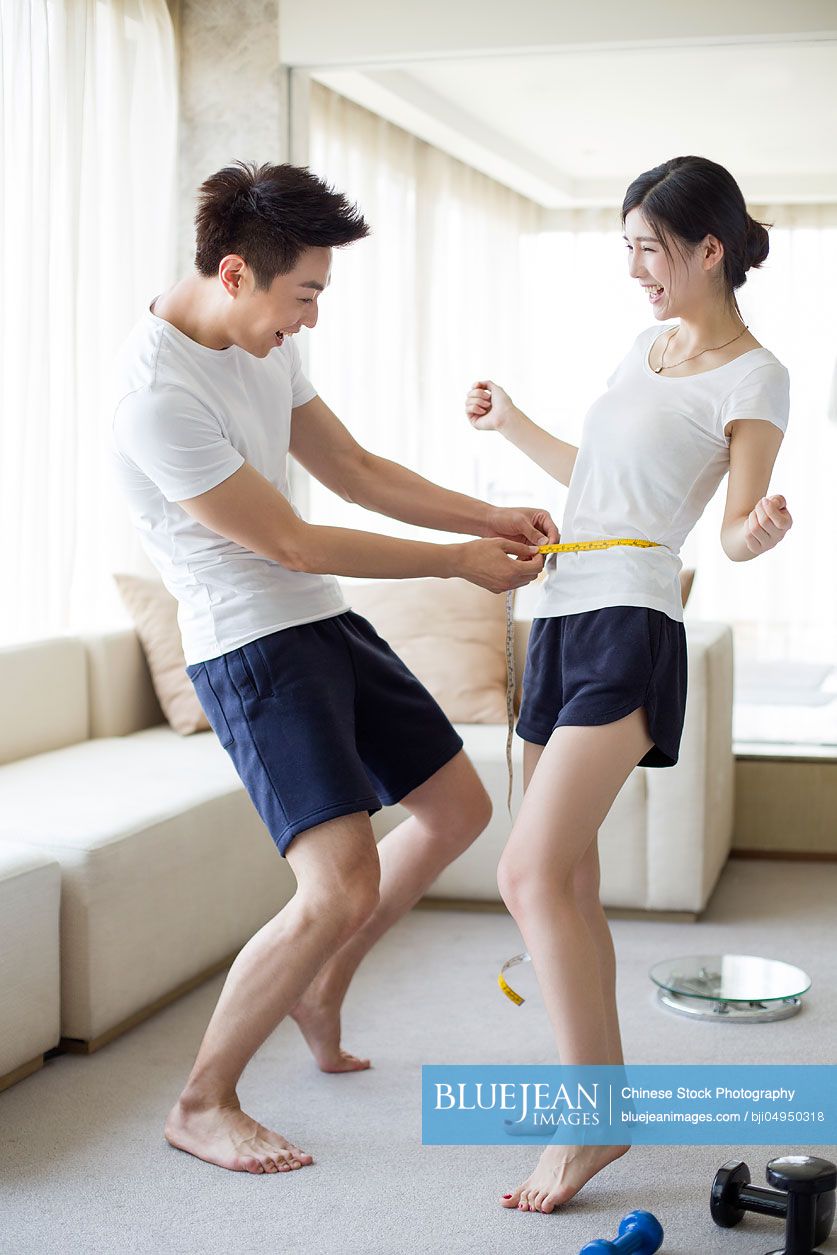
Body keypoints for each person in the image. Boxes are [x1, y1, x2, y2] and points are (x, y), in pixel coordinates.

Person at [110, 160, 558, 1176]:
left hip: (319, 622)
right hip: (250, 644)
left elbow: (352, 470)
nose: (309, 318)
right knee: (336, 885)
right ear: (236, 272)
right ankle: (202, 1100)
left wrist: (483, 512)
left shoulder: (261, 344)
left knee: (455, 808)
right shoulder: (155, 396)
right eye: (304, 293)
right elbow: (293, 542)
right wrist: (457, 561)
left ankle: (319, 983)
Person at [465, 155, 793, 1214]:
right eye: (627, 251)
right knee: (567, 883)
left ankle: (592, 1113)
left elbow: (734, 525)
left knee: (525, 872)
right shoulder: (640, 345)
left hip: (630, 621)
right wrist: (511, 421)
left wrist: (758, 530)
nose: (637, 270)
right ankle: (598, 1103)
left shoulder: (757, 376)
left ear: (708, 248)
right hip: (556, 612)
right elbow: (599, 476)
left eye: (650, 249)